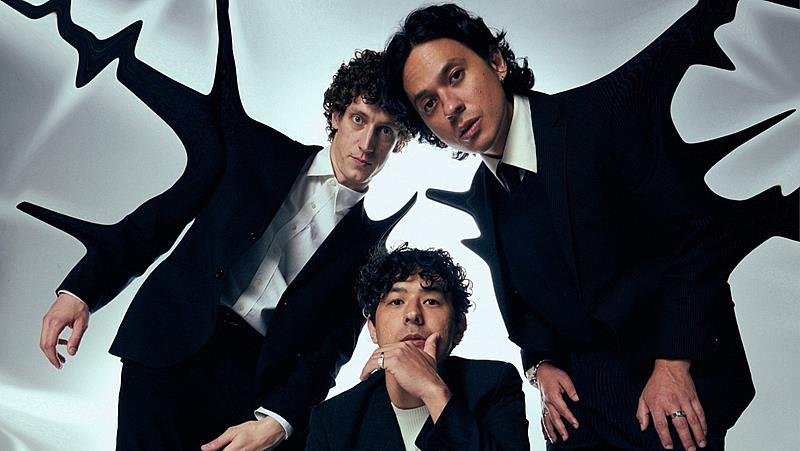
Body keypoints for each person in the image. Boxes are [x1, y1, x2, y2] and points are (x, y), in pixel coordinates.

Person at [383, 1, 798, 450]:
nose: (451, 107)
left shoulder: (600, 117)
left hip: (672, 376)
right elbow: (526, 299)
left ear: (496, 62)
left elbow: (692, 237)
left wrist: (673, 364)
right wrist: (540, 364)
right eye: (429, 103)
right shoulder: (483, 191)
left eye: (455, 76)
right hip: (584, 402)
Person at [11, 0, 416, 450]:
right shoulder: (253, 151)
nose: (367, 142)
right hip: (167, 342)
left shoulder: (368, 249)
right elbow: (160, 220)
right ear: (337, 116)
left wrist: (280, 420)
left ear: (399, 142)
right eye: (359, 119)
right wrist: (81, 290)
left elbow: (330, 350)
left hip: (247, 390)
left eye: (385, 130)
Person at [305, 244, 529, 450]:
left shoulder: (494, 385)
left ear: (459, 326)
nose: (413, 314)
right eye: (396, 301)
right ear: (372, 328)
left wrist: (433, 391)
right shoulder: (334, 420)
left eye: (431, 301)